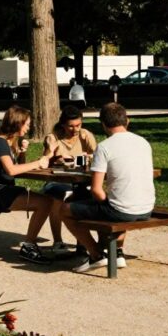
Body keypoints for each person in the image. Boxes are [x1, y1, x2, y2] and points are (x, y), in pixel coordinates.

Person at [62, 103, 155, 273]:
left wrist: (107, 203)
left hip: (122, 210)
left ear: (103, 124)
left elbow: (97, 189)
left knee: (65, 209)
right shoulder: (143, 142)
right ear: (127, 120)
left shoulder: (105, 147)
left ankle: (97, 255)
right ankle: (117, 252)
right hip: (147, 207)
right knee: (119, 199)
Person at [0, 105, 55, 264]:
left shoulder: (9, 143)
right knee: (45, 202)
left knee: (47, 201)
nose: (29, 127)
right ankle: (28, 246)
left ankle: (29, 245)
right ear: (17, 123)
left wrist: (22, 152)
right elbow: (11, 170)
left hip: (1, 189)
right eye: (27, 124)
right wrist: (38, 162)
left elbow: (18, 168)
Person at [40, 106, 98, 254]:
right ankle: (58, 241)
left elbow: (97, 157)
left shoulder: (85, 135)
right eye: (71, 126)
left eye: (78, 125)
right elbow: (50, 161)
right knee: (57, 198)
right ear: (63, 125)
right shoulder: (53, 138)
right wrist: (78, 159)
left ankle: (82, 243)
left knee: (84, 197)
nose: (75, 129)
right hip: (56, 181)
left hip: (79, 181)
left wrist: (75, 159)